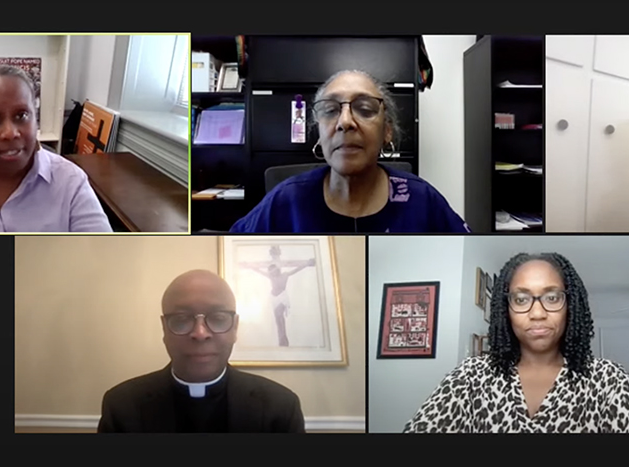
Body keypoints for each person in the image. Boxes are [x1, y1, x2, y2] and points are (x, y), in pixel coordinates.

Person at [403, 253, 629, 433]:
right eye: (522, 299)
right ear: (506, 309)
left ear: (571, 306)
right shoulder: (470, 376)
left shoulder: (607, 379)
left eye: (552, 297)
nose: (537, 313)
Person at [230, 69, 468, 233]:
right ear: (319, 132)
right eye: (331, 110)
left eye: (364, 109)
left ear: (387, 132)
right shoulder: (285, 201)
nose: (345, 122)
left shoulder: (422, 200)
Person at [98, 270, 305, 433]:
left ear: (234, 328)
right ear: (164, 329)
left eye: (218, 318)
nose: (200, 333)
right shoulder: (122, 406)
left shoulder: (281, 407)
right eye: (181, 319)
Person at [0, 65, 112, 232]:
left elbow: (103, 261)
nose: (10, 133)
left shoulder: (71, 182)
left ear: (35, 119)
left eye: (21, 115)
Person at [240, 247, 316, 347]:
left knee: (280, 317)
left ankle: (283, 340)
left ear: (277, 270)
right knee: (277, 319)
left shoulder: (285, 275)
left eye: (273, 271)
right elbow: (258, 271)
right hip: (274, 298)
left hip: (282, 297)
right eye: (271, 271)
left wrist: (307, 263)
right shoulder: (271, 276)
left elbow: (296, 269)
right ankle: (282, 339)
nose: (272, 273)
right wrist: (248, 265)